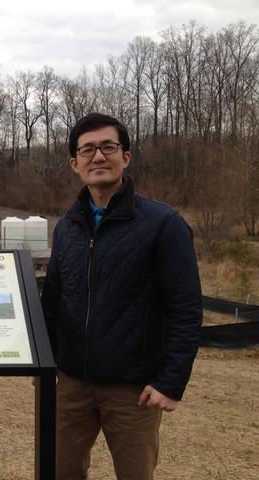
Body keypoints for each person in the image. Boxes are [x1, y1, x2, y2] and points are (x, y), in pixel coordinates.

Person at [41, 113, 202, 480]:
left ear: (125, 157)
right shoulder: (67, 227)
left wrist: (170, 382)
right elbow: (53, 299)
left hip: (134, 391)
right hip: (72, 385)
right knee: (57, 471)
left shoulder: (163, 224)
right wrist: (44, 361)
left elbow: (186, 309)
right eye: (87, 150)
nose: (98, 157)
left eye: (108, 147)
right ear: (74, 163)